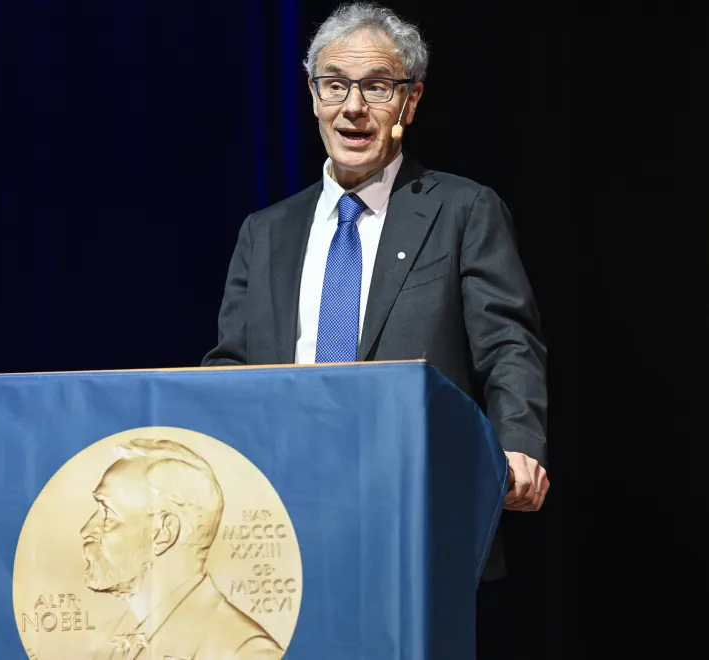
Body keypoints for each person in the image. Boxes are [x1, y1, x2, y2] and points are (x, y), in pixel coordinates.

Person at [201, 1, 549, 653]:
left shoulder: (462, 210)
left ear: (409, 101)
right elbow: (229, 368)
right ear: (313, 97)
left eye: (377, 87)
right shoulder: (265, 232)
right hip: (281, 514)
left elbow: (507, 342)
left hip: (411, 507)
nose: (353, 107)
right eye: (334, 85)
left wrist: (517, 443)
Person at [79, 437, 284, 659]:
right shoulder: (108, 641)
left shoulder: (248, 652)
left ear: (164, 533)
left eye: (108, 513)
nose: (86, 530)